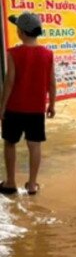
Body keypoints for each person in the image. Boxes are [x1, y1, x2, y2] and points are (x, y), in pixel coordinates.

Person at [0, 12, 56, 195]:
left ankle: (10, 182)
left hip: (14, 107)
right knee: (35, 145)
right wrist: (52, 104)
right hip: (36, 108)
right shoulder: (48, 54)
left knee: (10, 143)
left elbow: (9, 82)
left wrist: (2, 107)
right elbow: (52, 82)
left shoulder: (13, 53)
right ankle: (32, 184)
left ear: (21, 32)